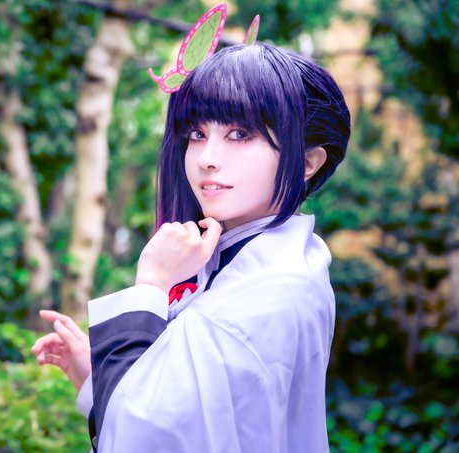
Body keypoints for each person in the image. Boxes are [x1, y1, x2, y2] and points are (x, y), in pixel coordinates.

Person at [31, 7, 350, 452]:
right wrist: (95, 376)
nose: (206, 158)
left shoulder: (270, 290)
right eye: (197, 134)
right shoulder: (254, 261)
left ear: (307, 162)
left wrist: (151, 286)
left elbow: (142, 437)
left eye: (240, 134)